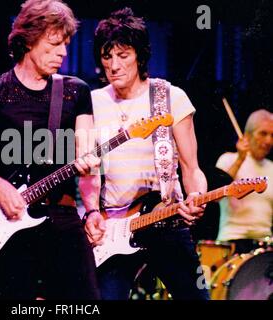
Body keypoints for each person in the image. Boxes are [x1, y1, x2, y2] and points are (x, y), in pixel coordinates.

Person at [0, 0, 101, 299]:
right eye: (54, 43)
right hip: (10, 220)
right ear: (29, 39)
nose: (63, 52)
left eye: (65, 43)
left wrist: (92, 209)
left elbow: (87, 156)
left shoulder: (76, 92)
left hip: (62, 215)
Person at [85, 7, 209, 300]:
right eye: (107, 56)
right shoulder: (90, 103)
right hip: (113, 229)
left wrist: (196, 198)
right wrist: (90, 212)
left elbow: (192, 168)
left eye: (123, 55)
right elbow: (86, 170)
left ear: (140, 56)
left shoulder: (170, 97)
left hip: (164, 218)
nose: (114, 65)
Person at [216, 109, 273, 254]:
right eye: (263, 133)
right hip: (233, 242)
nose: (269, 141)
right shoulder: (228, 159)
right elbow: (215, 197)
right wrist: (240, 160)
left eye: (272, 135)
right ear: (247, 135)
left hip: (264, 247)